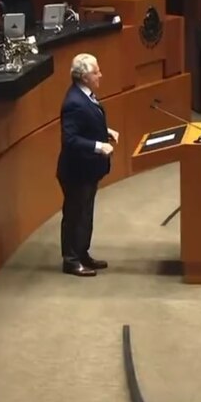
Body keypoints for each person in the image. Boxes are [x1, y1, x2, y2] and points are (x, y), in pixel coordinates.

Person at [57, 53, 118, 277]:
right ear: (83, 77)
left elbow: (87, 123)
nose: (100, 75)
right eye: (95, 72)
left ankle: (82, 253)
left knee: (85, 214)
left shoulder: (86, 95)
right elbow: (70, 139)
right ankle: (71, 260)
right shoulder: (73, 102)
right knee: (75, 215)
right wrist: (99, 146)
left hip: (88, 170)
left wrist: (106, 132)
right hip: (76, 171)